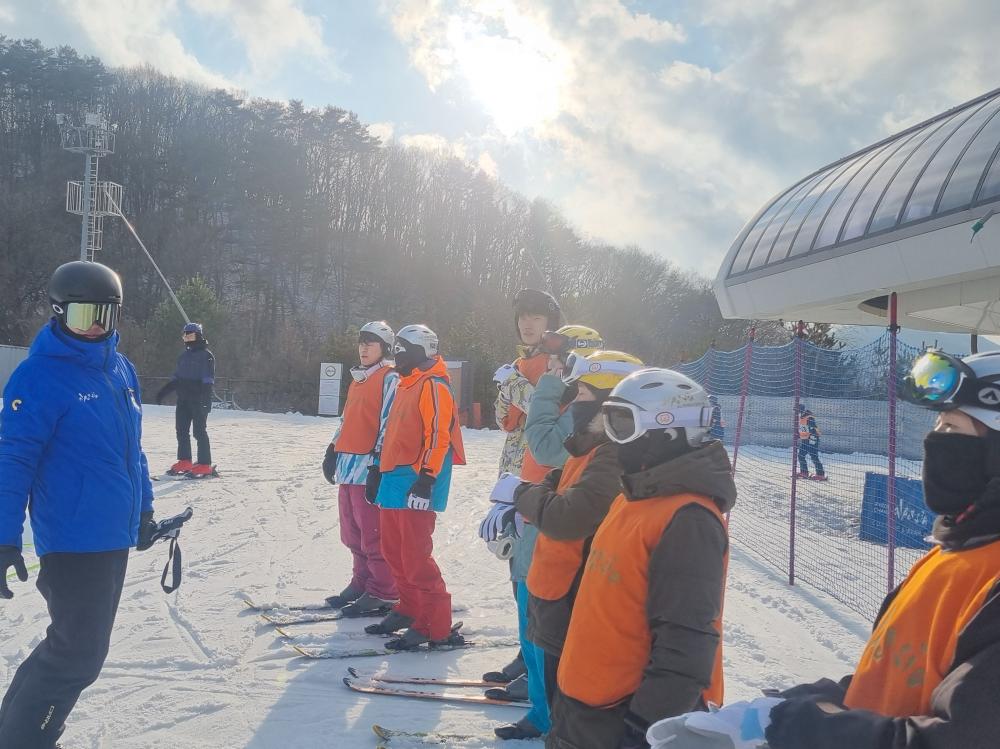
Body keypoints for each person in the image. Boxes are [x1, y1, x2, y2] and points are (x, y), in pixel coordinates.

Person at [759, 349, 1000, 749]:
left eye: (952, 428)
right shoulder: (952, 554)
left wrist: (812, 729)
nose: (936, 442)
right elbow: (895, 676)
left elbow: (963, 737)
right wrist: (815, 702)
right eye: (937, 425)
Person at [0, 261, 159, 749]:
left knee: (71, 646)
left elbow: (133, 450)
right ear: (57, 311)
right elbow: (12, 461)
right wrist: (5, 536)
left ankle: (14, 732)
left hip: (111, 536)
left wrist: (144, 511)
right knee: (79, 655)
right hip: (72, 539)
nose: (93, 325)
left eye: (104, 315)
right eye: (81, 312)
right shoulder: (39, 376)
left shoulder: (120, 368)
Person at [549, 368, 736, 749]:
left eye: (621, 423)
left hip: (620, 721)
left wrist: (642, 728)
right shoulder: (631, 498)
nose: (611, 438)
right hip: (585, 707)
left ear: (668, 431)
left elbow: (687, 645)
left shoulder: (688, 520)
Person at [493, 351, 643, 741]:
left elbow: (572, 513)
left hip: (579, 585)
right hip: (560, 583)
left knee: (569, 674)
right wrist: (522, 497)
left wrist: (524, 497)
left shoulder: (613, 452)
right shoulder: (590, 443)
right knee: (553, 661)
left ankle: (558, 726)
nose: (575, 402)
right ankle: (550, 720)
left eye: (582, 394)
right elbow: (558, 480)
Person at [483, 321, 603, 720]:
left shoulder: (590, 405)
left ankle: (547, 703)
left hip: (554, 516)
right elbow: (511, 424)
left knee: (543, 607)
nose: (553, 365)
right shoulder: (573, 396)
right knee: (525, 597)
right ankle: (536, 687)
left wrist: (545, 383)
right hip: (535, 502)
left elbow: (547, 444)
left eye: (560, 359)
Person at [365, 324, 466, 650]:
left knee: (415, 556)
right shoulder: (406, 383)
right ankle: (409, 609)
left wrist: (426, 480)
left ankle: (435, 625)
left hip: (416, 481)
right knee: (393, 551)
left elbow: (438, 436)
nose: (397, 357)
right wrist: (378, 470)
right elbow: (393, 433)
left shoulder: (434, 385)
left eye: (403, 351)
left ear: (422, 351)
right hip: (394, 479)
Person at [485, 289, 563, 690]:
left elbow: (543, 409)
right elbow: (507, 421)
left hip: (542, 479)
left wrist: (513, 383)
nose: (526, 323)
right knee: (517, 575)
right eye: (522, 317)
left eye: (534, 317)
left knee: (536, 578)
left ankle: (539, 668)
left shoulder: (557, 363)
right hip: (513, 477)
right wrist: (505, 388)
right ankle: (526, 653)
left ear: (551, 322)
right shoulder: (521, 362)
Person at [321, 321, 399, 616]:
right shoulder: (359, 380)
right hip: (347, 465)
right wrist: (332, 449)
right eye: (362, 342)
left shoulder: (389, 378)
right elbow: (346, 420)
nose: (364, 347)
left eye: (372, 343)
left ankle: (383, 590)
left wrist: (378, 463)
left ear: (384, 348)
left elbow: (389, 423)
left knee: (372, 532)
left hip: (368, 465)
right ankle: (362, 582)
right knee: (352, 531)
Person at [156, 322, 216, 477]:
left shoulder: (206, 356)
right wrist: (163, 392)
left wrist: (206, 401)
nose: (186, 338)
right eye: (185, 335)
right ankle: (185, 461)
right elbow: (176, 379)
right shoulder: (183, 356)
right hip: (183, 400)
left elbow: (208, 380)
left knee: (199, 431)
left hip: (198, 400)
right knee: (181, 431)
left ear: (198, 336)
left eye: (190, 335)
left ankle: (204, 464)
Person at [796, 403, 826, 481]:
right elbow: (804, 429)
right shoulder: (801, 417)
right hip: (805, 440)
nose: (796, 412)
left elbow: (814, 429)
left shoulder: (809, 418)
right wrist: (799, 435)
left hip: (812, 440)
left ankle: (820, 475)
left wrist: (812, 438)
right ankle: (804, 472)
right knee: (801, 455)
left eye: (797, 410)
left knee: (814, 456)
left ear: (801, 410)